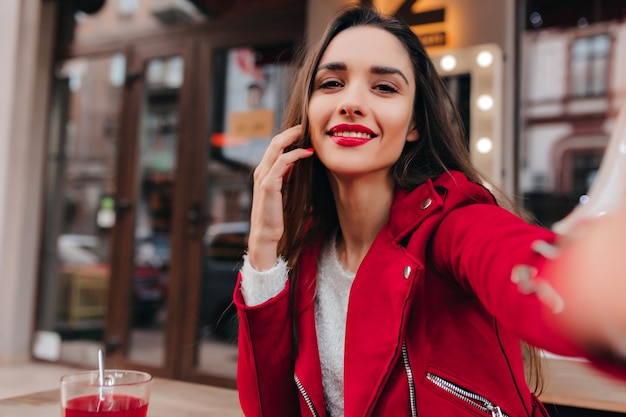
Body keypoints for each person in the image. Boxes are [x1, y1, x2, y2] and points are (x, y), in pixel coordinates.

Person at [233, 5, 626, 416]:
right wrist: (262, 245)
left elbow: (515, 259)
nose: (351, 102)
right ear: (308, 113)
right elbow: (268, 408)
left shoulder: (452, 222)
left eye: (384, 88)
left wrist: (590, 290)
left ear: (415, 123)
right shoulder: (309, 254)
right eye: (332, 83)